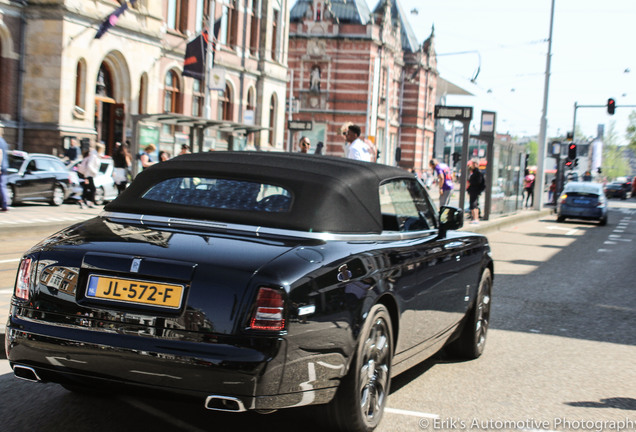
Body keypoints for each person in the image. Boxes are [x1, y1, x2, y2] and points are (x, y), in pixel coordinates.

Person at [77, 144, 102, 209]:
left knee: (86, 189)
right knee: (92, 189)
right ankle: (89, 202)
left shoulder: (94, 155)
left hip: (88, 175)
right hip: (89, 175)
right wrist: (95, 172)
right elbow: (90, 165)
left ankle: (83, 201)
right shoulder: (93, 156)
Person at [467, 160, 485, 224]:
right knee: (474, 204)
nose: (473, 165)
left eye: (474, 164)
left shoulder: (477, 173)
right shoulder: (474, 172)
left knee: (473, 204)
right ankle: (475, 218)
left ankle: (475, 218)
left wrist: (471, 185)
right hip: (474, 190)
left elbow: (478, 182)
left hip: (474, 190)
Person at [0, 123, 9, 212]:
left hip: (1, 167)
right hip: (4, 167)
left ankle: (4, 204)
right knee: (2, 185)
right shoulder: (3, 141)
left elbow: (0, 153)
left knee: (1, 186)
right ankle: (5, 204)